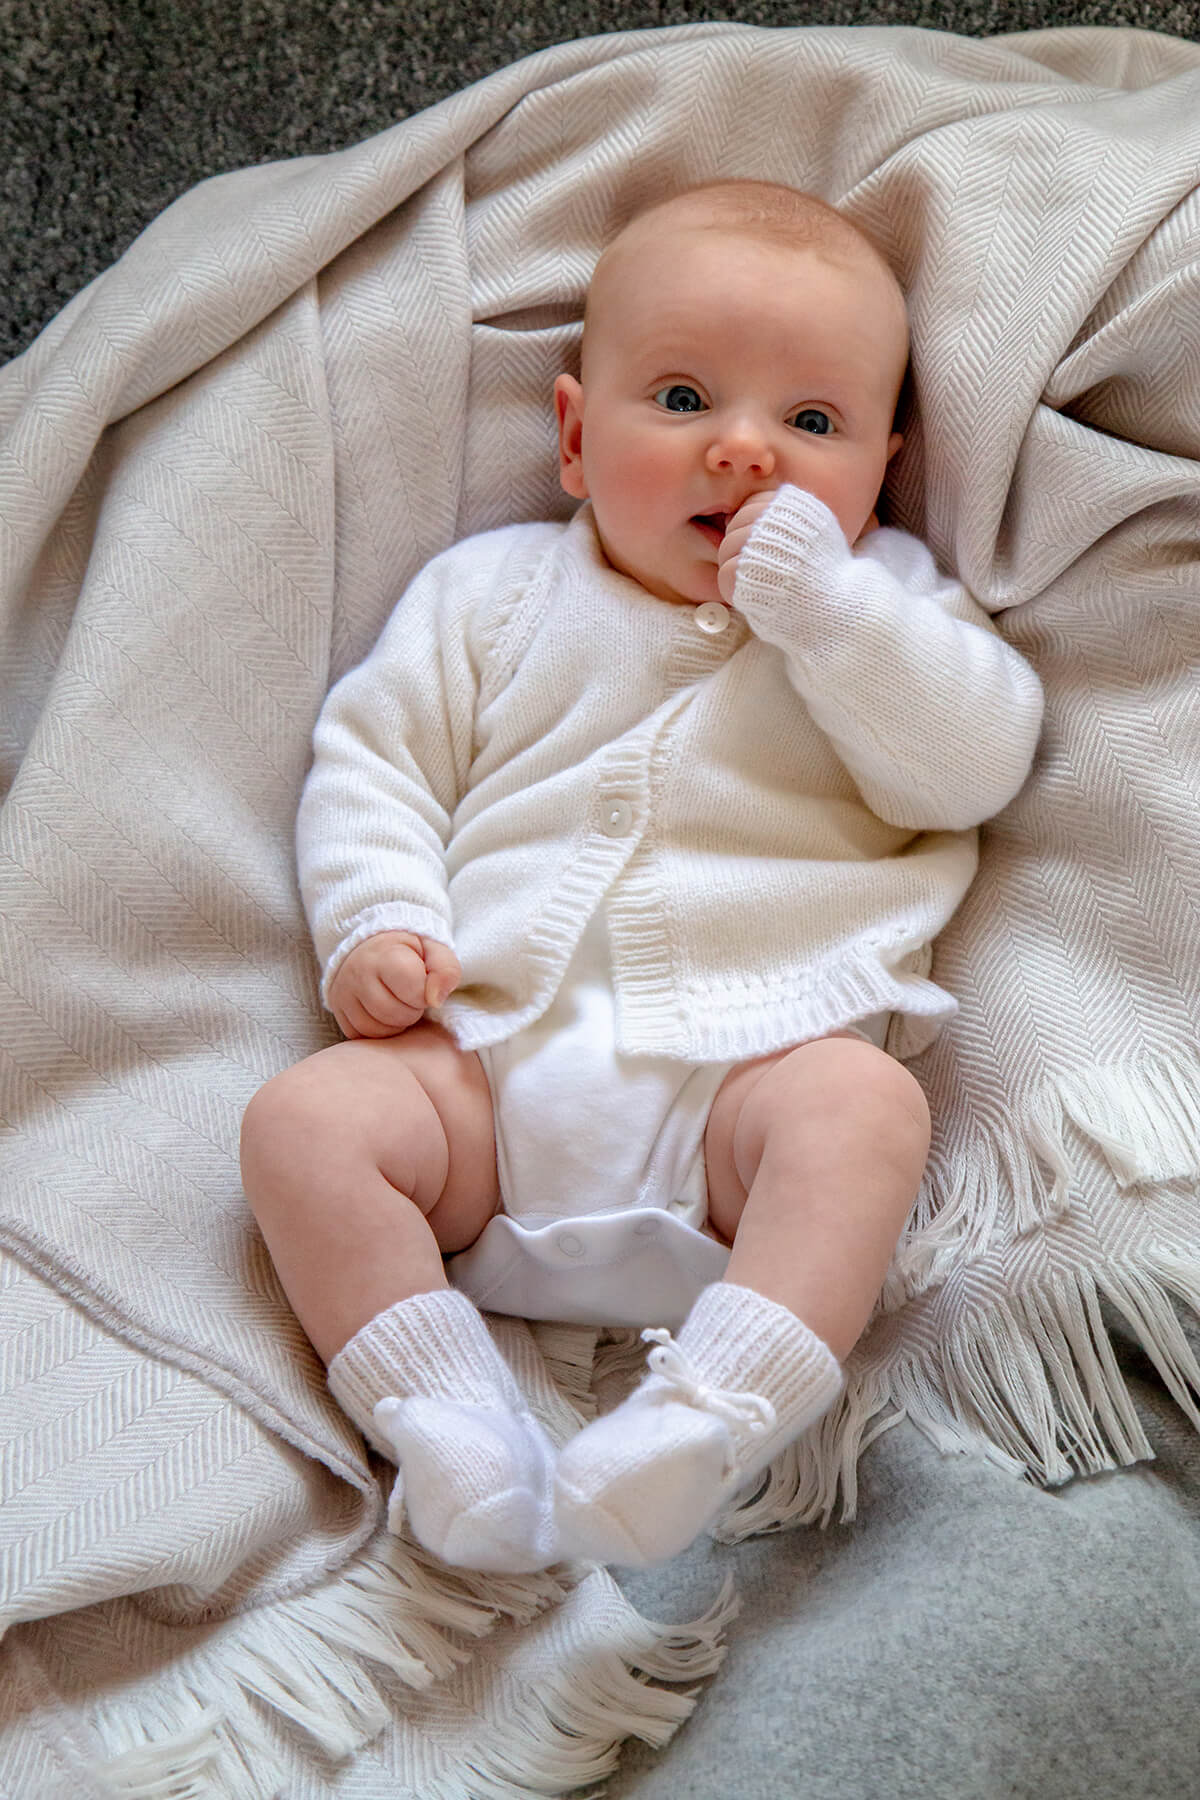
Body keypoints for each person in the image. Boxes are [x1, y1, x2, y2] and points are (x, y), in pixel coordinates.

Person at [240, 179, 1044, 1576]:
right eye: (682, 399)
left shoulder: (893, 610)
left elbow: (973, 765)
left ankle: (709, 1416)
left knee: (865, 1111)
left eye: (812, 425)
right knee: (302, 1126)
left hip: (745, 1092)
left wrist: (834, 617)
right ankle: (444, 1415)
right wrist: (379, 916)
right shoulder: (488, 595)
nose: (744, 455)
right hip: (480, 1083)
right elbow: (374, 768)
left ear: (883, 463)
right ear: (572, 436)